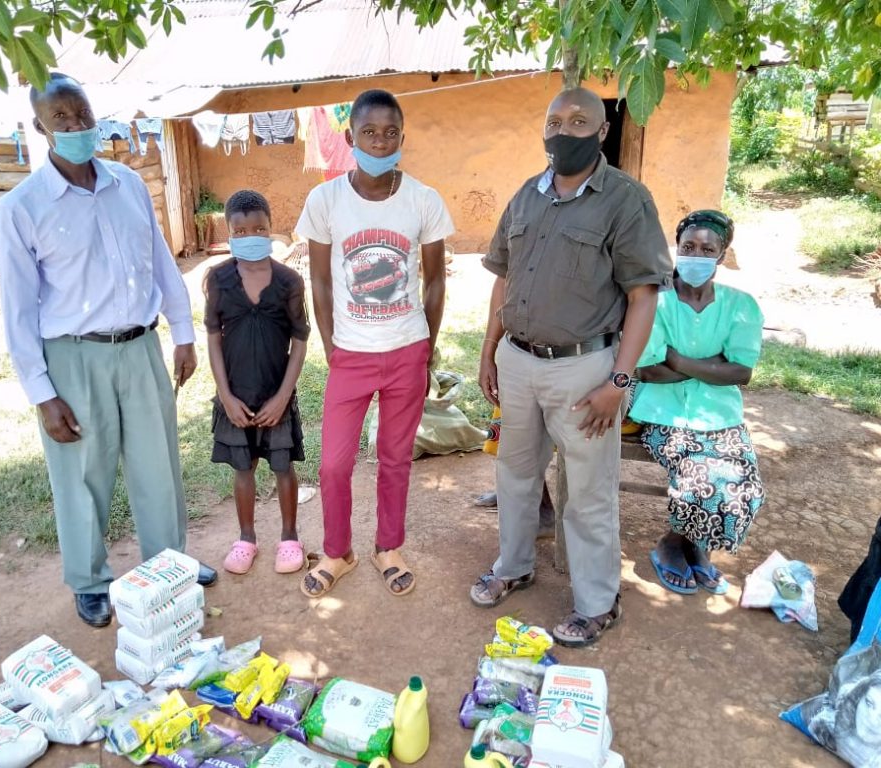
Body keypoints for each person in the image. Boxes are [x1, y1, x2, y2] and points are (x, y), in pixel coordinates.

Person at [0, 72, 216, 628]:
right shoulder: (22, 206)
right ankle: (91, 581)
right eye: (61, 118)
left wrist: (182, 332)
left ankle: (168, 564)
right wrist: (43, 394)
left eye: (81, 113)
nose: (75, 126)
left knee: (158, 465)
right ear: (39, 126)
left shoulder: (128, 184)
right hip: (73, 356)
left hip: (140, 347)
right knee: (81, 472)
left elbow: (161, 260)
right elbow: (18, 309)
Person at [470, 87, 673, 647]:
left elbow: (644, 297)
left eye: (579, 120)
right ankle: (514, 566)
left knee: (587, 492)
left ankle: (597, 603)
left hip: (584, 372)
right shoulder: (526, 196)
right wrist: (490, 348)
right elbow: (503, 279)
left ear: (602, 130)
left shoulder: (625, 201)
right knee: (514, 476)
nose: (564, 130)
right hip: (518, 361)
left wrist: (619, 382)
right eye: (555, 120)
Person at [295, 89, 454, 597]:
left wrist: (425, 347)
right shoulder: (325, 200)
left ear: (402, 139)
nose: (380, 142)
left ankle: (389, 546)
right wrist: (331, 343)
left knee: (394, 456)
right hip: (351, 354)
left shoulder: (423, 200)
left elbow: (434, 282)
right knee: (334, 464)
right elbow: (318, 281)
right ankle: (338, 552)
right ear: (350, 138)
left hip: (407, 349)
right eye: (369, 133)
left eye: (390, 133)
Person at [630, 210, 765, 595]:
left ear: (722, 255)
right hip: (662, 412)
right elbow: (648, 371)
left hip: (721, 416)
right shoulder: (654, 301)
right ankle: (672, 545)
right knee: (701, 473)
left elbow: (741, 372)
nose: (696, 254)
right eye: (689, 246)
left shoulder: (740, 305)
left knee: (745, 483)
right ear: (677, 247)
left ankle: (693, 545)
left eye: (708, 248)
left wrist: (677, 359)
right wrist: (712, 366)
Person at [204, 190, 310, 576]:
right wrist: (225, 395)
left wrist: (283, 396)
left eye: (259, 228)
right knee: (243, 467)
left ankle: (289, 537)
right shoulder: (218, 279)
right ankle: (246, 538)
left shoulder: (289, 281)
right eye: (241, 229)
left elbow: (300, 339)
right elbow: (213, 338)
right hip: (236, 396)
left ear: (271, 229)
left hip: (274, 393)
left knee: (283, 466)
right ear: (229, 233)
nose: (251, 234)